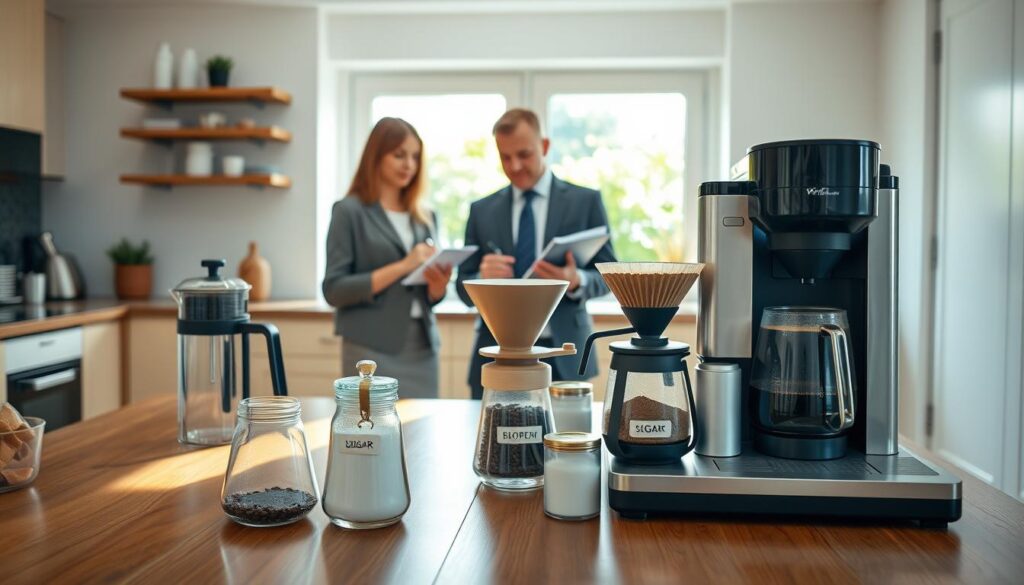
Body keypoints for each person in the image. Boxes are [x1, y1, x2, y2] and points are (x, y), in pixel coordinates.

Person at [456, 108, 616, 399]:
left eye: (524, 154)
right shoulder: (482, 211)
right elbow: (462, 288)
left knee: (569, 441)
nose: (515, 166)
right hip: (496, 355)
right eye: (505, 157)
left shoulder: (585, 202)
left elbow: (609, 276)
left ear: (544, 146)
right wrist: (481, 277)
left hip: (566, 353)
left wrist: (576, 279)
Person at [322, 117, 452, 398]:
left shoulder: (425, 216)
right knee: (368, 432)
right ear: (376, 157)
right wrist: (405, 265)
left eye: (415, 157)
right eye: (399, 155)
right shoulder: (349, 212)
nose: (409, 165)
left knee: (422, 433)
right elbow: (334, 289)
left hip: (423, 346)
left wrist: (438, 286)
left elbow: (430, 296)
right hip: (370, 347)